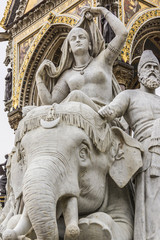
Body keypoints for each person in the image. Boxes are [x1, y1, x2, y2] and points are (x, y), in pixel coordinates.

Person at [98, 50, 160, 240]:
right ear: (139, 73)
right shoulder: (130, 95)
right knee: (152, 198)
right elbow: (111, 111)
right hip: (149, 152)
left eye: (156, 68)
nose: (152, 71)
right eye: (148, 67)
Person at [36, 6, 128, 109]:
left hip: (103, 114)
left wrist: (103, 10)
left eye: (82, 37)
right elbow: (50, 103)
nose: (78, 40)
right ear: (69, 48)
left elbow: (122, 34)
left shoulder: (103, 59)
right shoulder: (67, 75)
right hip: (78, 117)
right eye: (73, 39)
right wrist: (38, 78)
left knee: (76, 95)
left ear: (89, 44)